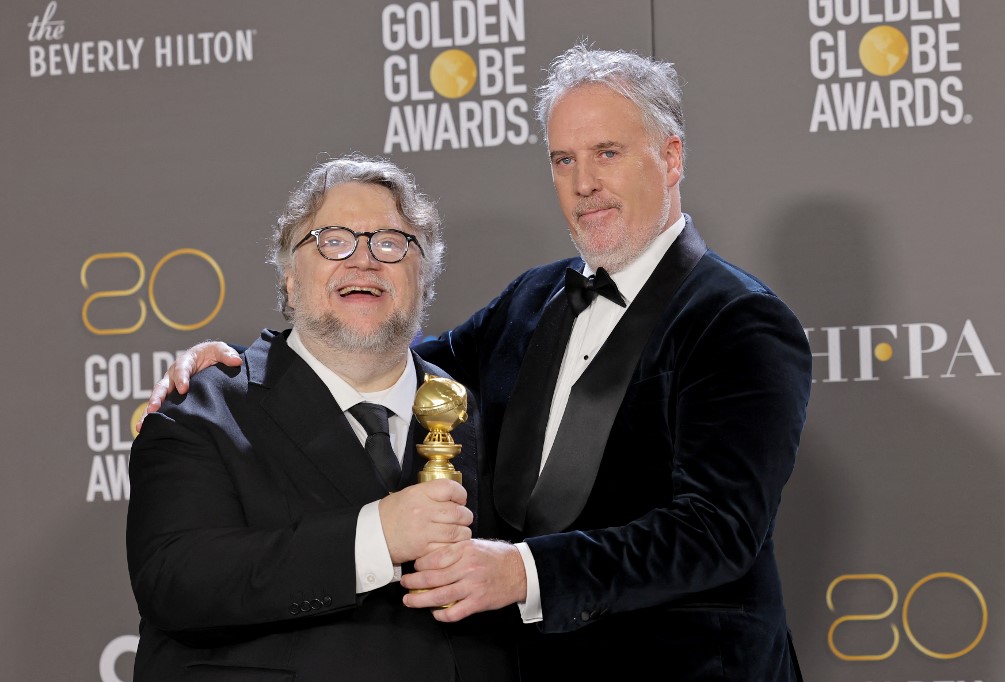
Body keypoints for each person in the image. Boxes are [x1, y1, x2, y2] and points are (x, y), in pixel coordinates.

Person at [147, 43, 812, 681]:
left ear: (670, 157)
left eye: (607, 153)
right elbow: (378, 358)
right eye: (563, 159)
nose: (584, 184)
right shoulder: (534, 299)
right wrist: (248, 366)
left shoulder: (738, 319)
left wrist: (522, 573)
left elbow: (716, 532)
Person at [127, 154, 517, 681]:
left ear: (423, 277)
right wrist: (375, 537)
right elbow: (175, 581)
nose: (364, 260)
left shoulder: (479, 415)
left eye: (391, 242)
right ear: (289, 279)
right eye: (333, 241)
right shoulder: (203, 408)